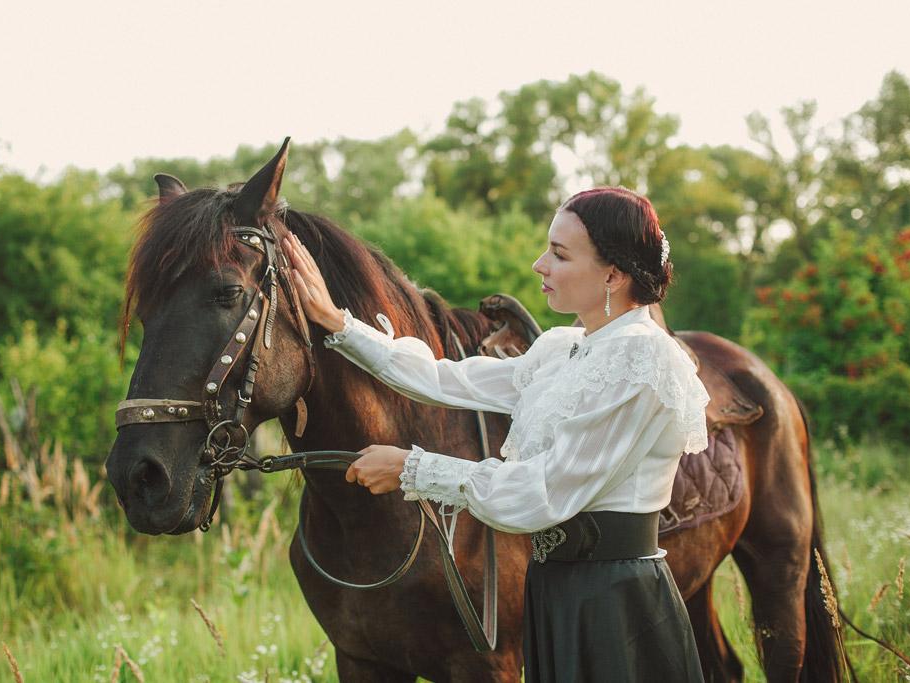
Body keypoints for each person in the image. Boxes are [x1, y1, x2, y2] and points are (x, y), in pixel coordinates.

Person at [284, 186, 709, 682]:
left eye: (559, 253)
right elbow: (448, 379)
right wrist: (339, 323)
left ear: (613, 274)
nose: (539, 265)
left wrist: (411, 468)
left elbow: (542, 493)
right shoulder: (565, 348)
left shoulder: (642, 358)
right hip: (557, 585)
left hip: (614, 598)